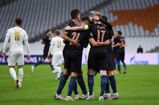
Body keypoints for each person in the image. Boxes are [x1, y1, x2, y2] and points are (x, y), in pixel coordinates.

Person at [66, 12, 112, 101]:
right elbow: (110, 38)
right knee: (103, 73)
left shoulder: (91, 27)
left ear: (95, 19)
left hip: (93, 51)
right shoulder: (108, 27)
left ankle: (90, 94)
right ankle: (102, 95)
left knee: (90, 73)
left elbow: (81, 27)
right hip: (104, 51)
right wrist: (105, 43)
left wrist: (70, 28)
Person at [2, 18, 30, 88]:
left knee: (11, 66)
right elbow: (26, 43)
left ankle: (15, 78)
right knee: (20, 67)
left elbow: (6, 41)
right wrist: (28, 53)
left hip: (12, 51)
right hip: (20, 51)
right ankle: (20, 83)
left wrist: (4, 51)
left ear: (15, 22)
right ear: (21, 23)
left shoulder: (10, 30)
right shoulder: (23, 31)